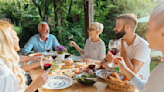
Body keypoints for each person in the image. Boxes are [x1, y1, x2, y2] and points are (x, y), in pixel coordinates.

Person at [111, 2, 164, 92]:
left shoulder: (160, 72)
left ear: (162, 32)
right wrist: (124, 68)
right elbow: (143, 87)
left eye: (149, 28)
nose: (146, 34)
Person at [0, 20, 48, 92]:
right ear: (7, 40)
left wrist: (40, 62)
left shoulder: (4, 61)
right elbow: (25, 51)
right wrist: (34, 86)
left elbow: (19, 69)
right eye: (15, 35)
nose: (18, 38)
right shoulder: (3, 73)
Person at [102, 13, 151, 81]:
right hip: (121, 84)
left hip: (138, 87)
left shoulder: (143, 45)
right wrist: (105, 64)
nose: (115, 28)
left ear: (127, 27)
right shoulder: (117, 43)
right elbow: (106, 60)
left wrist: (124, 49)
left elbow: (132, 72)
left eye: (118, 25)